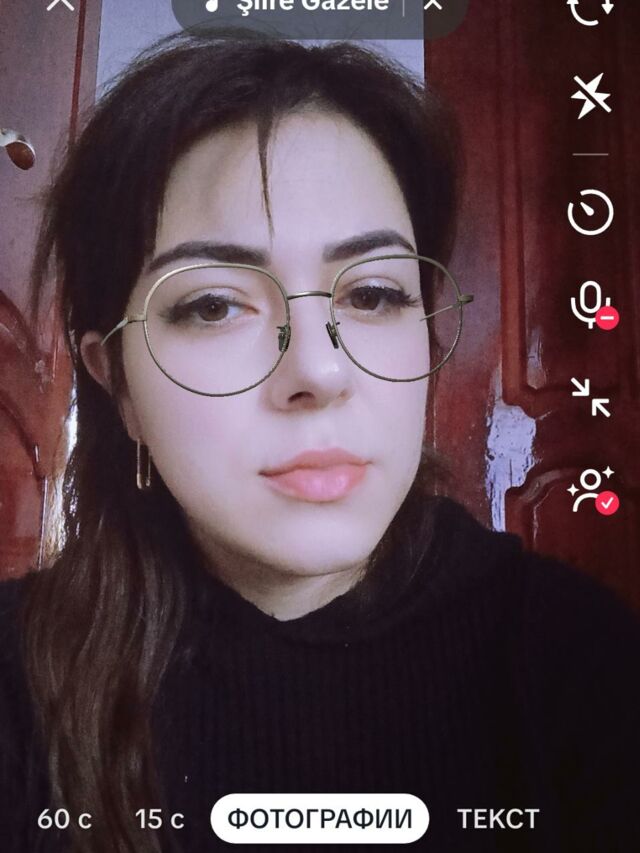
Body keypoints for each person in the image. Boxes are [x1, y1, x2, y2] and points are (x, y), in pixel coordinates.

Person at [0, 29, 638, 853]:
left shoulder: (583, 665)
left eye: (372, 293)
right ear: (117, 382)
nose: (318, 370)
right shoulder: (16, 684)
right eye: (213, 305)